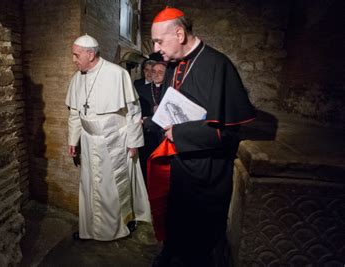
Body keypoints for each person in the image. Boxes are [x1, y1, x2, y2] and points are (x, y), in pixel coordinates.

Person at [149, 7, 256, 266]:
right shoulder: (174, 66)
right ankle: (169, 251)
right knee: (174, 215)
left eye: (159, 41)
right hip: (178, 163)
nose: (155, 48)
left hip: (205, 171)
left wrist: (179, 132)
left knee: (198, 240)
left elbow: (228, 132)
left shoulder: (218, 65)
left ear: (179, 33)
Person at [65, 34, 151, 241]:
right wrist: (72, 140)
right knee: (90, 188)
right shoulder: (77, 78)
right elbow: (75, 114)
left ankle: (117, 228)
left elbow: (133, 111)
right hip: (88, 140)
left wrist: (133, 142)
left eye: (77, 55)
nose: (74, 60)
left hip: (114, 141)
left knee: (111, 188)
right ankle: (90, 229)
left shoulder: (117, 74)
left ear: (90, 54)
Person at [135, 61, 167, 179]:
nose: (156, 74)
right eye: (154, 71)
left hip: (164, 135)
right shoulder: (141, 90)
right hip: (148, 134)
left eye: (160, 72)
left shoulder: (170, 89)